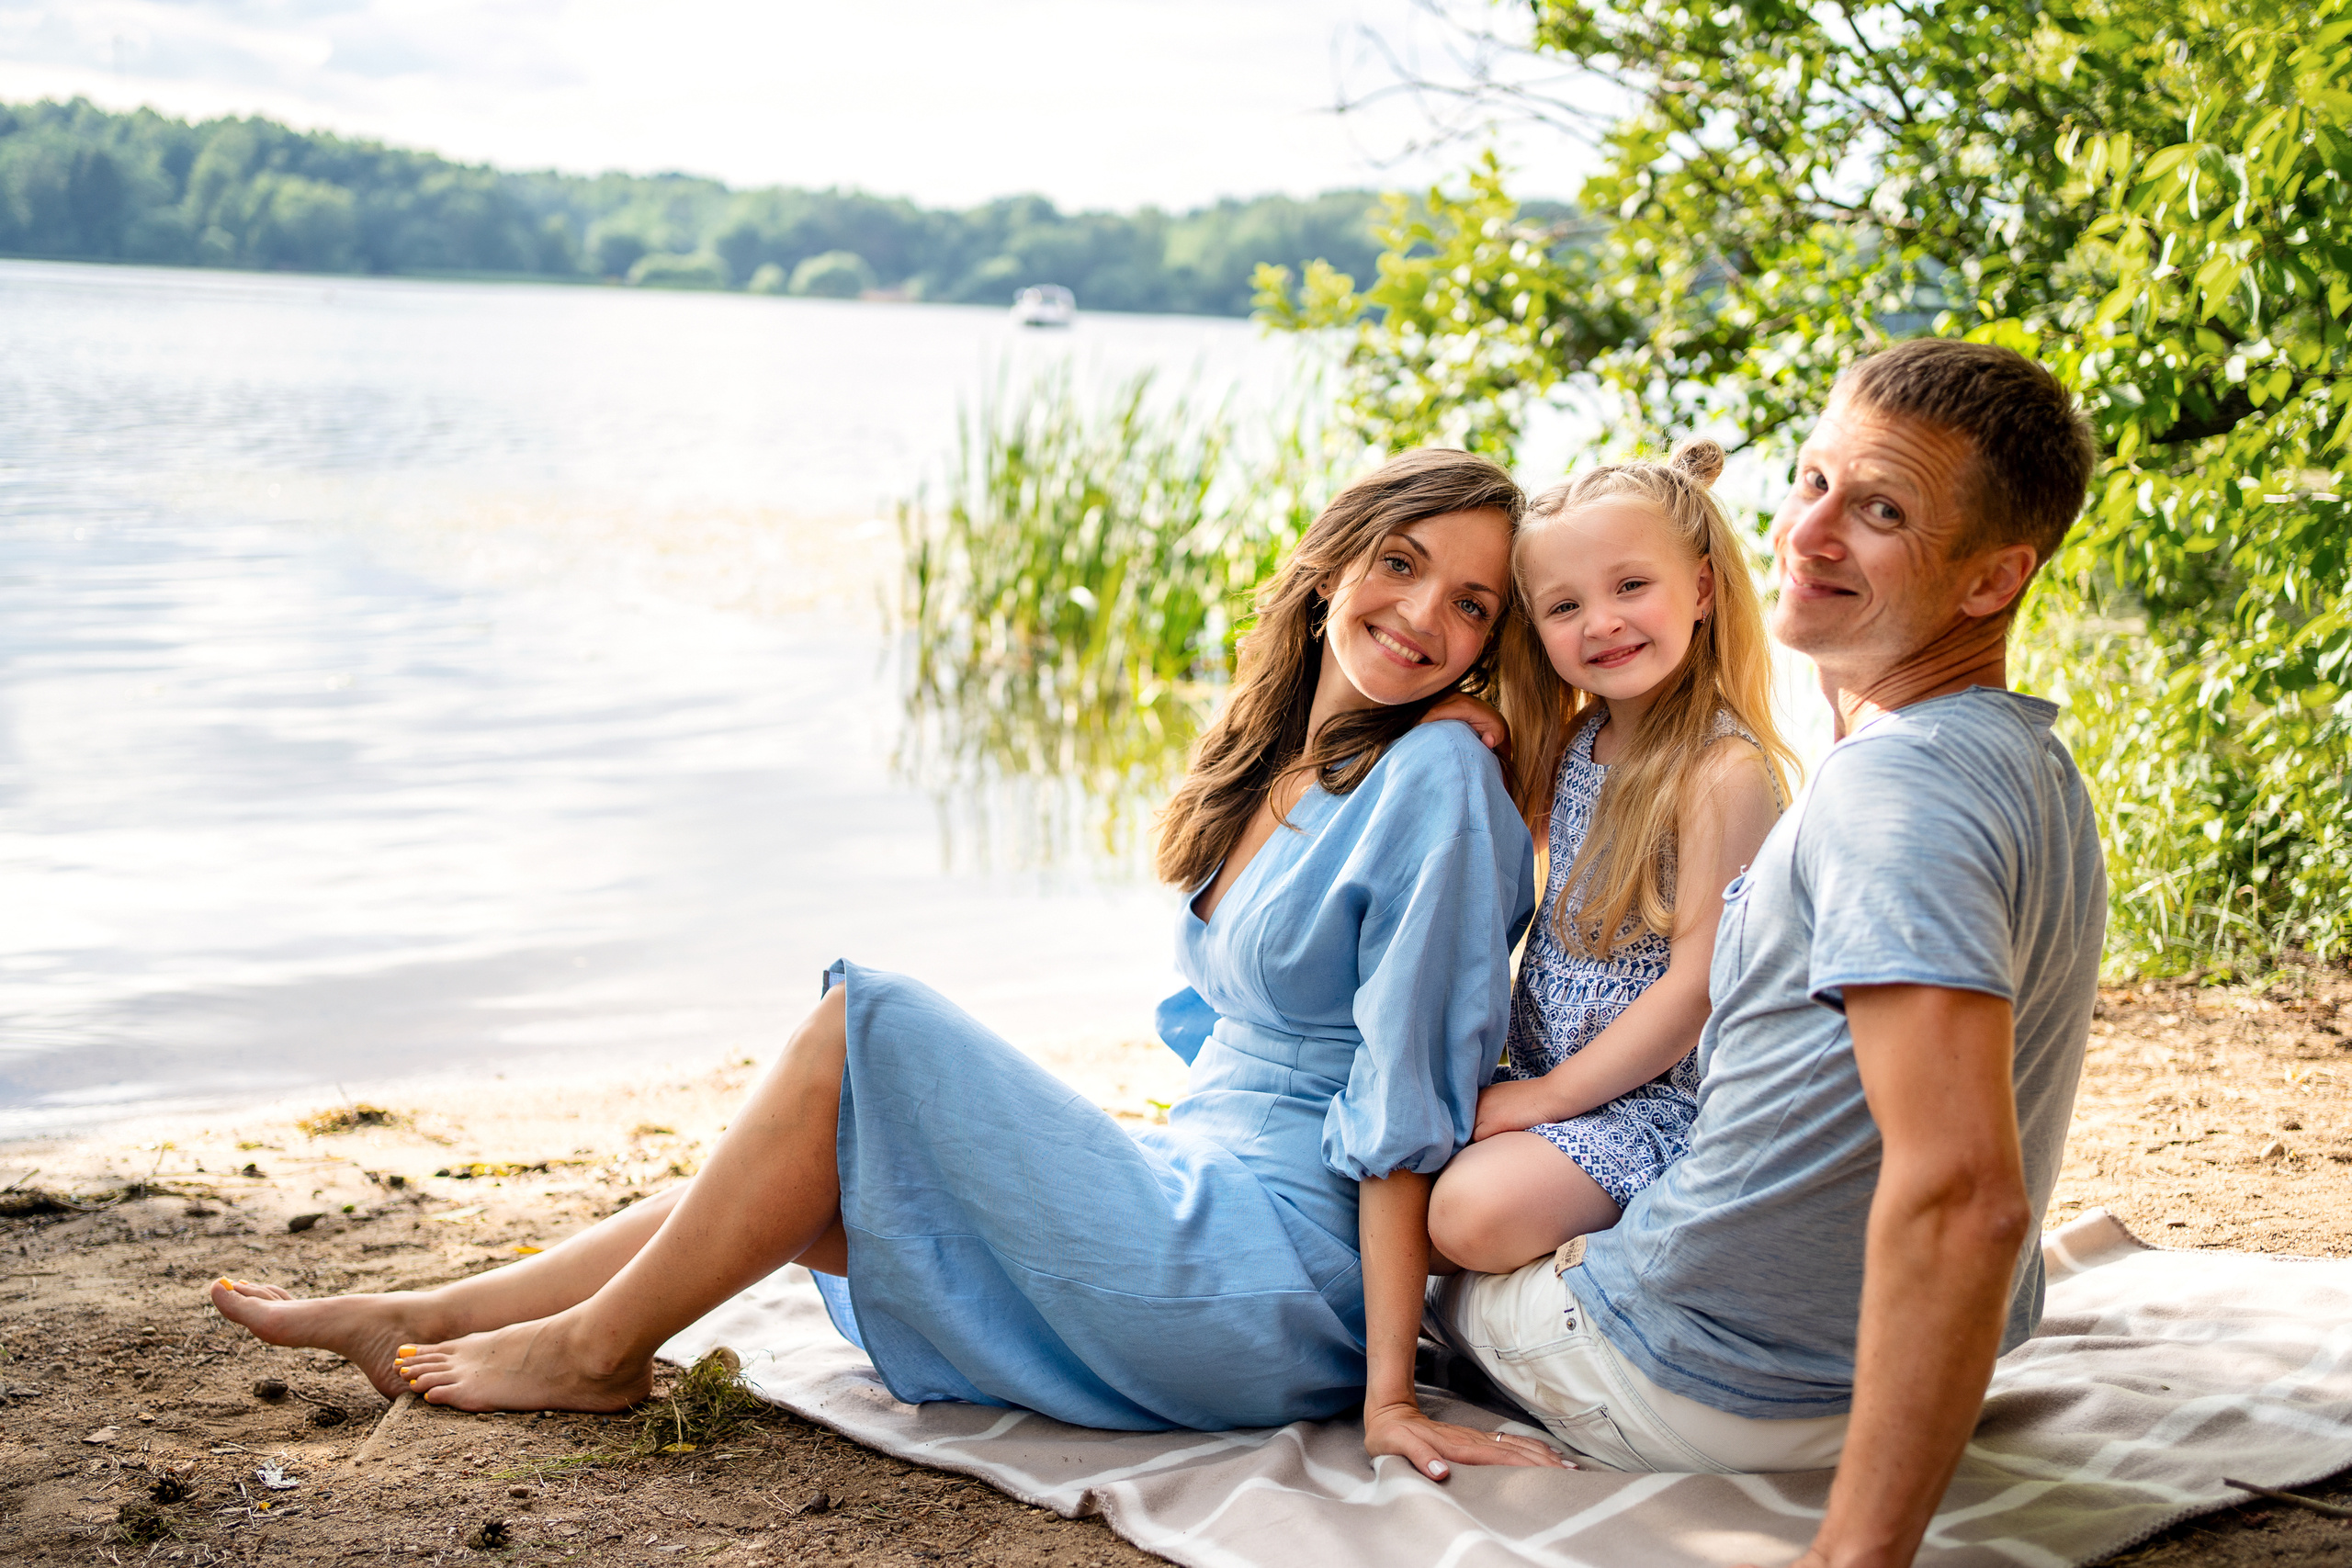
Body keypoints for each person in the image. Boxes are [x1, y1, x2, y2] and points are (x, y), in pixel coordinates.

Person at [208, 446, 1567, 1482]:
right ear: (1334, 562)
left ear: (1490, 644)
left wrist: (1388, 1389)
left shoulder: (1440, 775)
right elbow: (1218, 1031)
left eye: (1469, 603)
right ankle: (436, 1307)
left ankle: (592, 1350)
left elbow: (1405, 1106)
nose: (1420, 614)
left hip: (1282, 1271)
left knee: (870, 1022)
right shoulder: (1294, 759)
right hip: (1201, 1180)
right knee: (821, 1157)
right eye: (1399, 562)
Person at [1427, 338, 2107, 1567]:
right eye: (1811, 481)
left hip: (1709, 1376)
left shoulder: (1888, 798)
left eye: (1882, 510)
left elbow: (1967, 1195)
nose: (1809, 533)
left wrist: (1857, 1548)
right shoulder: (2023, 760)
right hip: (1858, 1362)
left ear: (1993, 578)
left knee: (1401, 1214)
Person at [1426, 438, 1796, 1276]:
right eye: (1563, 606)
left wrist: (1544, 1100)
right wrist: (1449, 713)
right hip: (1546, 1074)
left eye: (1632, 585)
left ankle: (1558, 1285)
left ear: (1700, 588)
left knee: (1465, 1212)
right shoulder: (1575, 740)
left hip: (1654, 1104)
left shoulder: (1720, 771)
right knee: (1387, 1182)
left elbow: (1696, 989)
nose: (1601, 622)